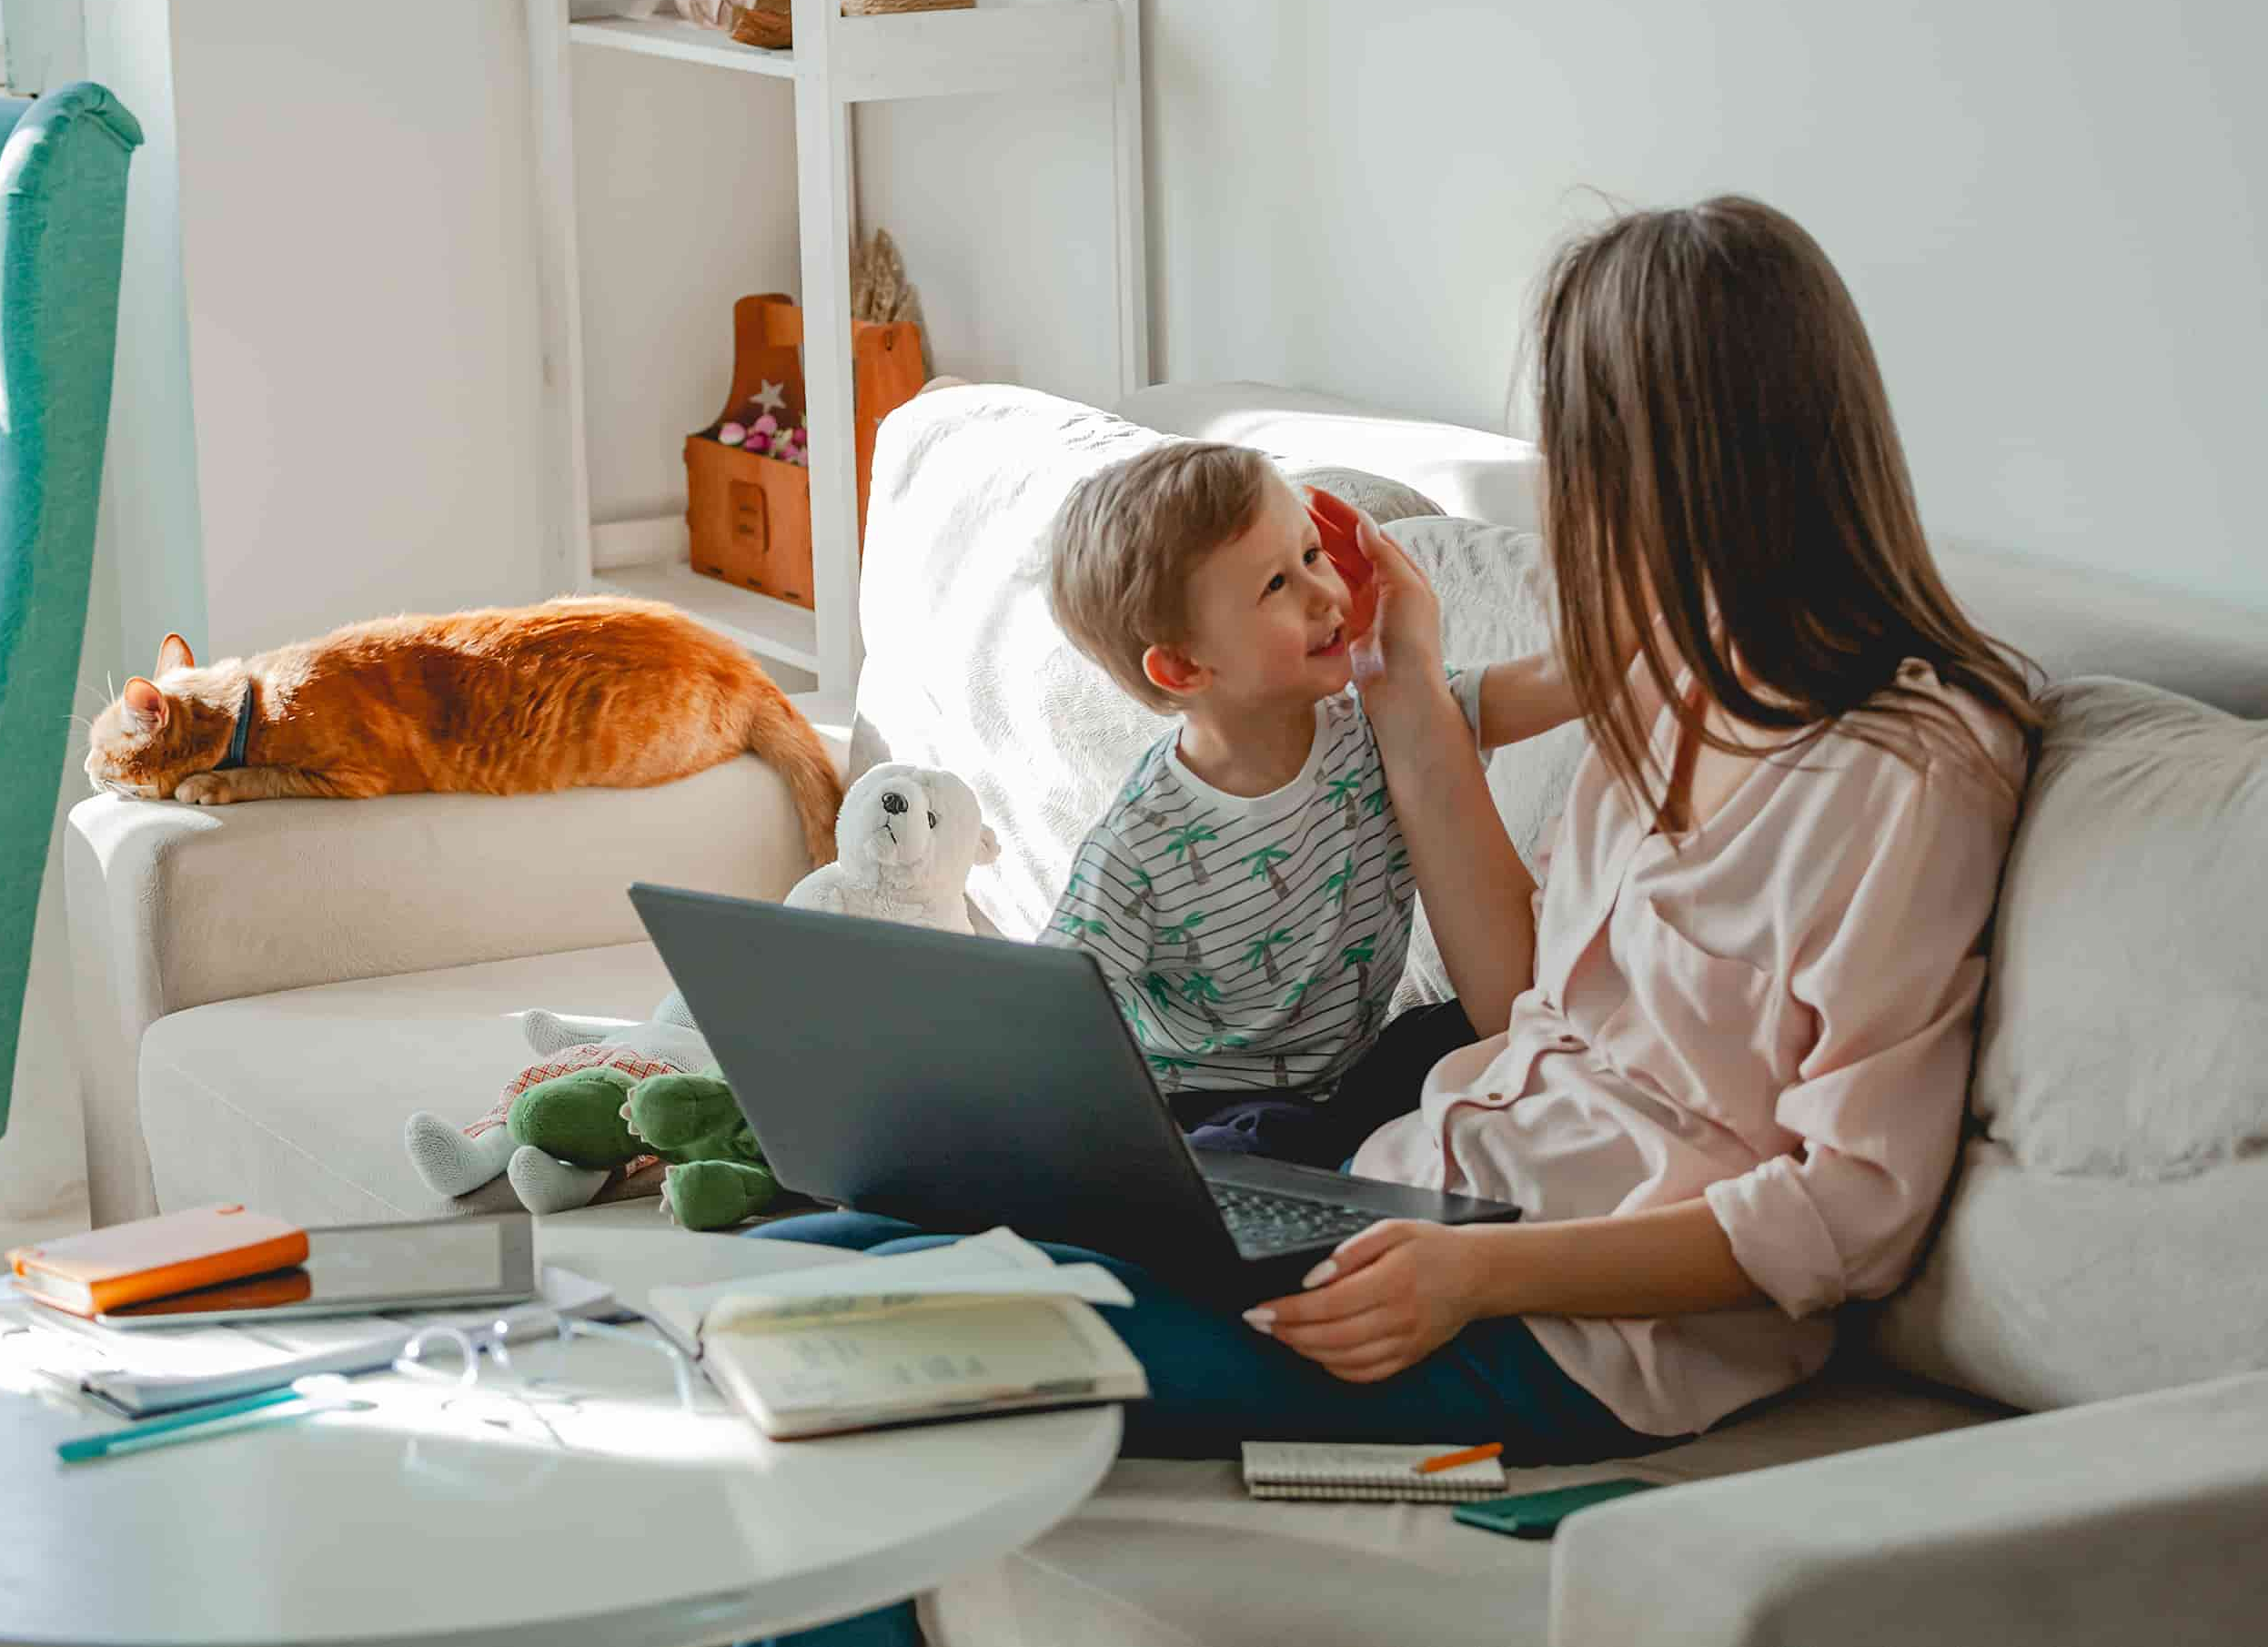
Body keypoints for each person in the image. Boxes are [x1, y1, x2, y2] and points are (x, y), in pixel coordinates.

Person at [751, 196, 2040, 1647]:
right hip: (1413, 1196)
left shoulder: (1911, 764)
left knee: (855, 1369)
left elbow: (1848, 1213)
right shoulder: (1673, 674)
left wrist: (1475, 1273)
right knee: (802, 1269)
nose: (1575, 496)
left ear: (1698, 458)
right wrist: (1402, 683)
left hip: (1568, 1327)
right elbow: (1520, 1009)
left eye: (1591, 451)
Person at [1039, 442, 1572, 1163]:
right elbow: (1050, 1003)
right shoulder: (1142, 843)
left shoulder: (1372, 722)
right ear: (1185, 666)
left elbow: (1521, 690)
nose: (1324, 595)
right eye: (1276, 585)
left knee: (1499, 1042)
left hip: (1352, 1074)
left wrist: (1658, 642)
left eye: (1313, 554)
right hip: (1210, 1104)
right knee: (1251, 1141)